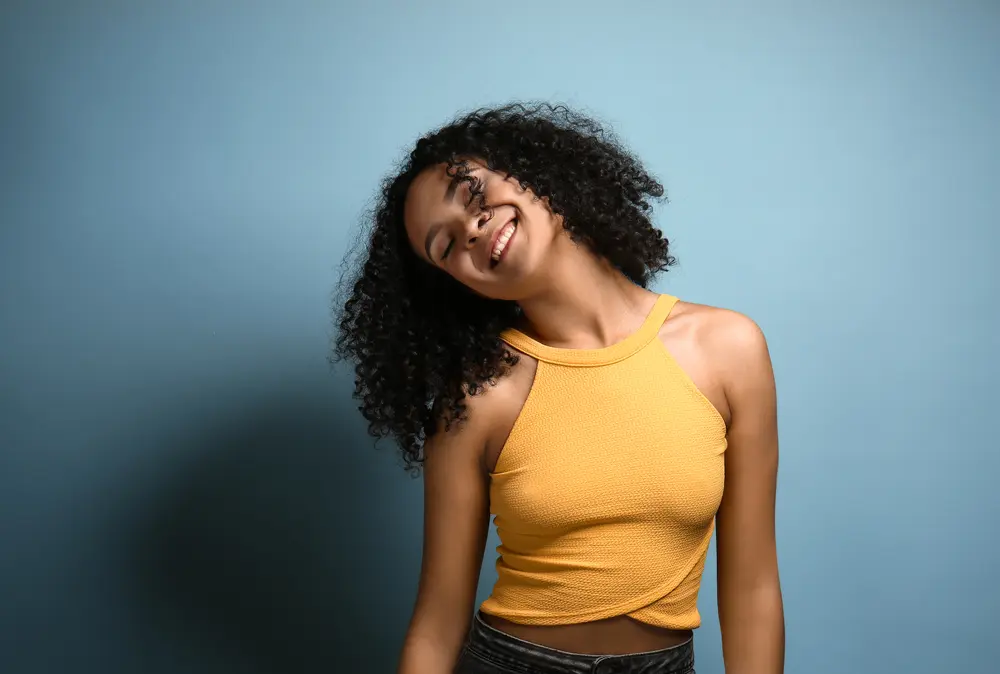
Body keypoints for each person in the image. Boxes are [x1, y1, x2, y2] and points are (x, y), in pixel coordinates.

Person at [335, 103, 784, 674]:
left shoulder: (729, 348)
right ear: (455, 285)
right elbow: (436, 625)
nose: (470, 228)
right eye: (444, 247)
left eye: (472, 194)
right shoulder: (476, 397)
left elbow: (753, 590)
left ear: (532, 169)